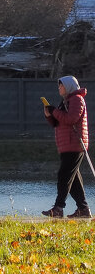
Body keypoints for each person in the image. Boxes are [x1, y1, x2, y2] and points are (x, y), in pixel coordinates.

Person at [42, 75, 90, 218]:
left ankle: (58, 208)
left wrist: (54, 111)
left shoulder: (76, 99)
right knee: (73, 179)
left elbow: (71, 119)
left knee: (64, 176)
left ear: (69, 86)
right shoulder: (66, 101)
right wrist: (49, 115)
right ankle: (83, 209)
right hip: (66, 144)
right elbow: (58, 123)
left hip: (74, 144)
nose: (59, 88)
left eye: (61, 85)